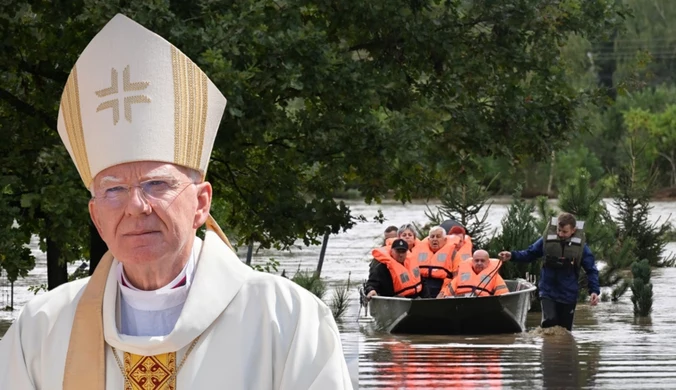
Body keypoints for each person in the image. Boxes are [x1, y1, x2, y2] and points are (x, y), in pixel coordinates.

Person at [0, 14, 352, 389]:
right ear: (97, 218)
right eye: (114, 189)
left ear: (201, 203)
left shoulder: (287, 319)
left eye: (156, 184)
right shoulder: (42, 328)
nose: (136, 205)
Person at [498, 212, 600, 331]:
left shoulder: (582, 248)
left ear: (573, 230)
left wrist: (594, 291)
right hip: (548, 290)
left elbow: (591, 270)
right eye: (559, 230)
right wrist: (512, 255)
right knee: (549, 321)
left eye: (564, 232)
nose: (560, 234)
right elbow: (530, 253)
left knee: (565, 330)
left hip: (568, 293)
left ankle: (563, 348)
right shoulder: (547, 241)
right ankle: (546, 346)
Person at [437, 250, 508, 297]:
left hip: (484, 307)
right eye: (476, 261)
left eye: (482, 261)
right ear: (472, 262)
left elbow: (503, 297)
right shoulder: (460, 276)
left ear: (488, 263)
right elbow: (446, 296)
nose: (479, 263)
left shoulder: (495, 277)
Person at [413, 226, 455, 297]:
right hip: (422, 288)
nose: (435, 239)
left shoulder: (453, 254)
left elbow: (456, 278)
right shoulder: (417, 252)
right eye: (432, 237)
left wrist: (443, 293)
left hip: (443, 289)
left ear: (445, 240)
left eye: (438, 236)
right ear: (428, 240)